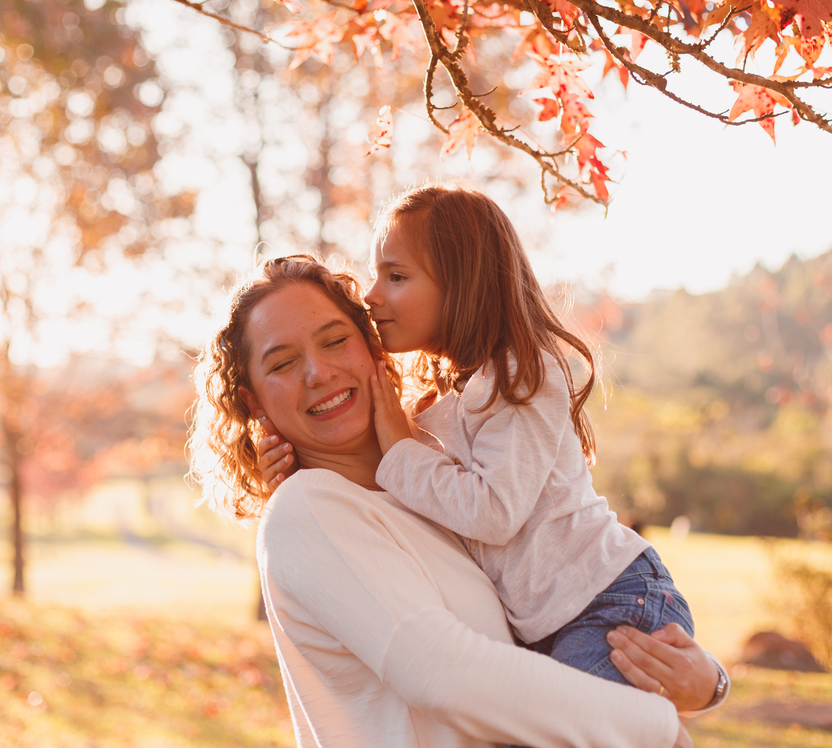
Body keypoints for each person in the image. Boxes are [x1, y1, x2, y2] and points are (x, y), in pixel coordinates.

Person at [189, 255, 726, 747]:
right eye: (282, 363)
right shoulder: (309, 509)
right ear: (253, 400)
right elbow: (440, 670)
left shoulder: (438, 487)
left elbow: (557, 605)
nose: (317, 372)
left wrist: (703, 684)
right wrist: (658, 728)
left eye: (334, 341)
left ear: (373, 348)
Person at [259, 184, 718, 703]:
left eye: (396, 276)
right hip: (550, 624)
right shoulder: (442, 402)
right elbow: (419, 499)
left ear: (462, 283)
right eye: (376, 274)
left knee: (567, 732)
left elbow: (492, 512)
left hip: (608, 600)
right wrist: (303, 470)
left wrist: (397, 447)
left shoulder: (523, 374)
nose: (372, 295)